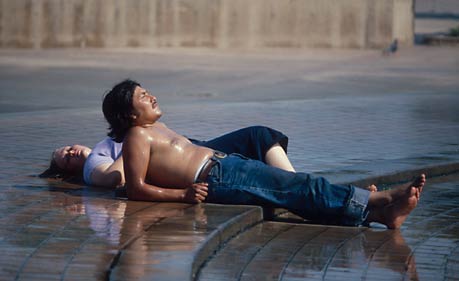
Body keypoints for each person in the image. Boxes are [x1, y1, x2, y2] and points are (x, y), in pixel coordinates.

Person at [102, 79, 426, 229]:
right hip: (217, 177)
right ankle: (377, 201)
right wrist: (181, 195)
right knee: (297, 187)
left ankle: (377, 215)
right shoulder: (136, 137)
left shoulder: (155, 129)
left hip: (226, 167)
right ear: (129, 114)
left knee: (292, 193)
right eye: (144, 96)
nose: (152, 96)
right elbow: (136, 189)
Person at [41, 126, 296, 187]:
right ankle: (292, 183)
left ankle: (291, 180)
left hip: (189, 147)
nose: (71, 152)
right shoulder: (93, 164)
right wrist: (134, 140)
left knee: (258, 136)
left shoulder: (100, 148)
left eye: (67, 148)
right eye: (67, 159)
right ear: (69, 170)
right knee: (257, 137)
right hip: (186, 158)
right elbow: (114, 179)